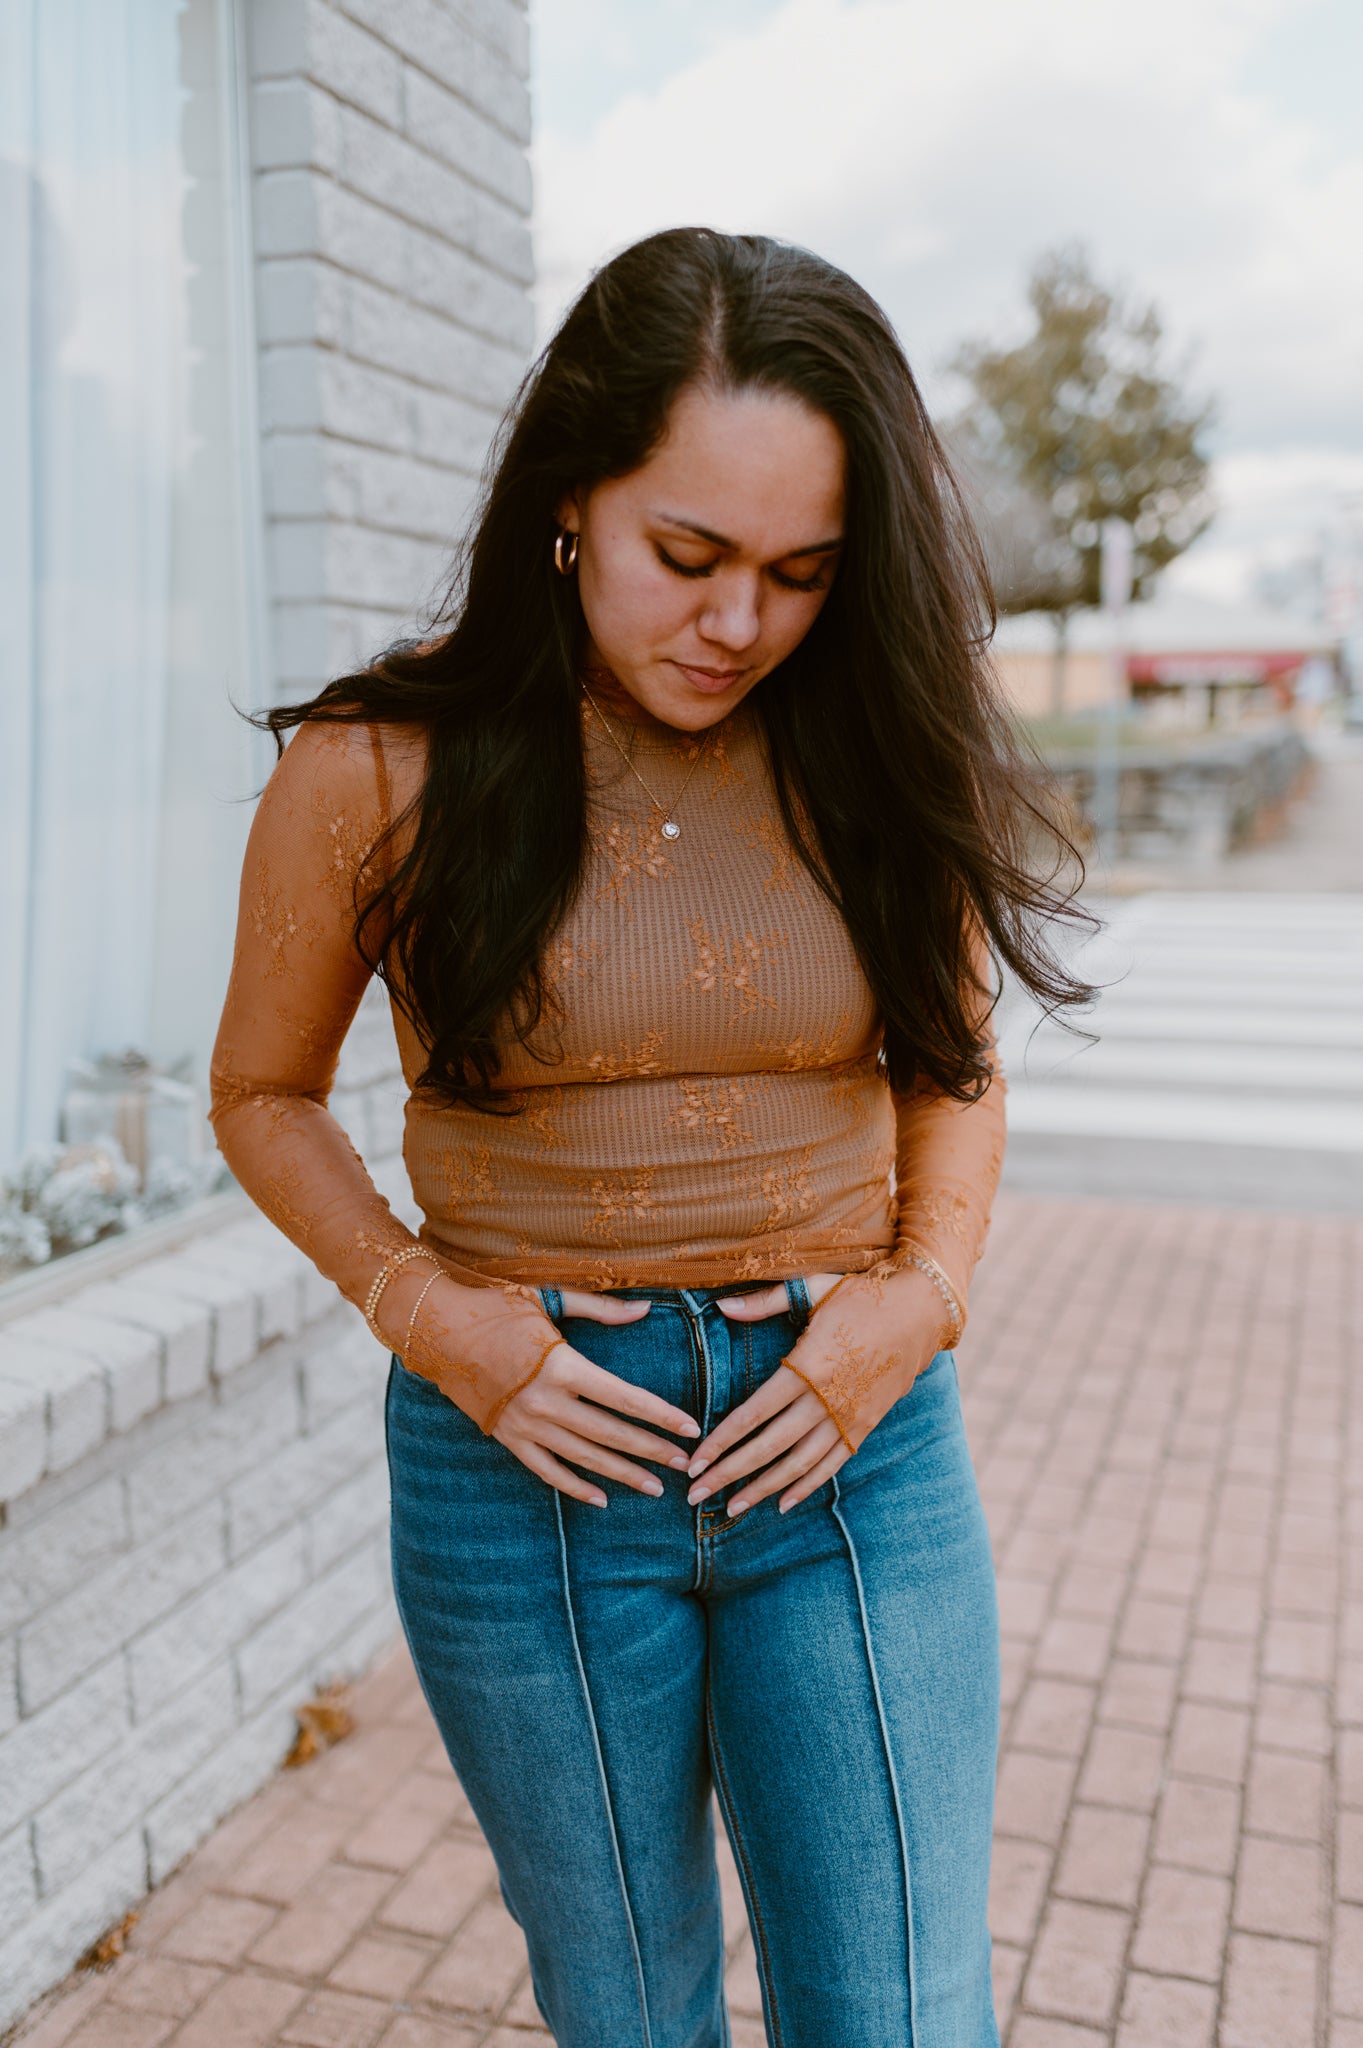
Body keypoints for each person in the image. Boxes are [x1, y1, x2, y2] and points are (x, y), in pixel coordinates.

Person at [211, 227, 1088, 2048]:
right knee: (629, 2012)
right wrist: (435, 1318)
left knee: (904, 2011)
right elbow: (263, 1096)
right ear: (569, 503)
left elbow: (958, 1071)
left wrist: (915, 1302)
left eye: (799, 573)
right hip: (526, 1470)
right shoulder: (374, 771)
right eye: (687, 556)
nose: (737, 623)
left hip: (851, 1445)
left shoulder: (871, 748)